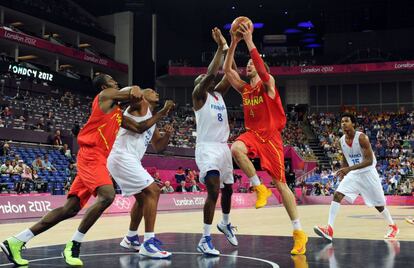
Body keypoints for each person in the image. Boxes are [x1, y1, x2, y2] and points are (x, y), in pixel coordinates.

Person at [0, 74, 152, 266]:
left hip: (96, 159)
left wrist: (162, 113)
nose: (116, 81)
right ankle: (74, 245)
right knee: (107, 195)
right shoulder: (104, 96)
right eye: (113, 80)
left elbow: (139, 128)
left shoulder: (117, 113)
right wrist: (137, 90)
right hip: (91, 155)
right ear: (105, 85)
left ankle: (16, 241)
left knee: (69, 209)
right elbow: (134, 92)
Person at [223, 22, 308, 255]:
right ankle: (259, 188)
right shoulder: (246, 90)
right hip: (253, 135)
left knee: (282, 185)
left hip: (271, 138)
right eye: (248, 63)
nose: (248, 66)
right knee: (235, 149)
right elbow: (228, 71)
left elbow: (262, 70)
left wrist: (250, 40)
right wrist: (233, 43)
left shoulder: (268, 86)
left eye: (252, 63)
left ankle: (299, 232)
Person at [107, 88, 174, 258]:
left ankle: (130, 237)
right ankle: (149, 242)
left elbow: (159, 147)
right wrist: (162, 112)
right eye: (151, 91)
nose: (156, 92)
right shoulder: (139, 104)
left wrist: (167, 135)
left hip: (129, 160)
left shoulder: (151, 117)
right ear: (144, 96)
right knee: (154, 191)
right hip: (121, 156)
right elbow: (138, 126)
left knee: (144, 199)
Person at [314, 113, 399, 241]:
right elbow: (345, 157)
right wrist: (344, 171)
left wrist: (349, 169)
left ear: (353, 123)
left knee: (379, 205)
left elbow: (369, 161)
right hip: (354, 174)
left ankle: (393, 226)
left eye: (346, 121)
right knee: (337, 194)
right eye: (342, 122)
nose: (343, 124)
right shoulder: (342, 140)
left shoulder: (362, 138)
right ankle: (329, 229)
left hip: (368, 173)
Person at [193, 27, 237, 256]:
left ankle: (226, 222)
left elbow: (230, 73)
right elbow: (211, 74)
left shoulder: (218, 94)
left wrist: (232, 45)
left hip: (223, 148)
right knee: (213, 191)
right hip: (207, 148)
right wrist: (220, 48)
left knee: (228, 189)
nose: (206, 79)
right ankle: (205, 238)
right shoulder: (199, 96)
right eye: (202, 79)